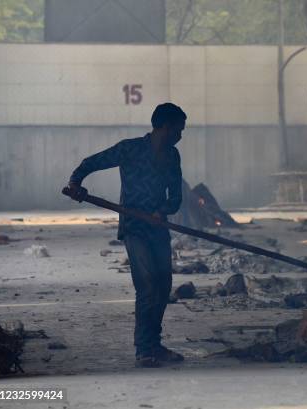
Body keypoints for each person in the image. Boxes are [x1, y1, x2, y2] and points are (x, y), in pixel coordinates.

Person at [65, 103, 186, 368]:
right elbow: (90, 163)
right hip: (134, 228)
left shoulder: (172, 156)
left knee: (163, 285)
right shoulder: (130, 148)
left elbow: (175, 198)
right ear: (165, 127)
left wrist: (161, 210)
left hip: (158, 228)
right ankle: (144, 350)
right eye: (179, 130)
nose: (180, 136)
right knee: (147, 285)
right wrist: (76, 183)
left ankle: (154, 344)